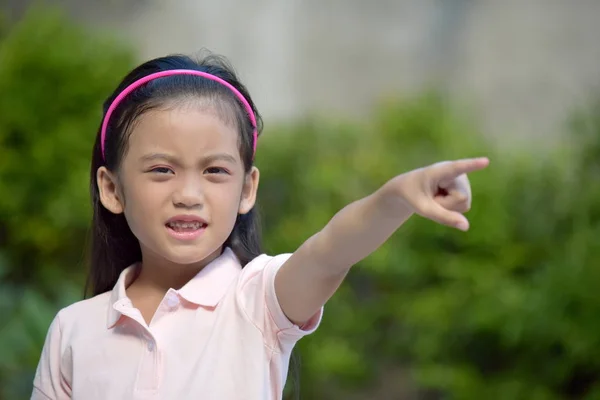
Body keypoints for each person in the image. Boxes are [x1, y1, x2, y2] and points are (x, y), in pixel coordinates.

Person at [31, 52, 489, 400]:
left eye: (215, 171)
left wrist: (395, 198)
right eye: (162, 170)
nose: (189, 193)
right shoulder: (74, 330)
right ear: (112, 189)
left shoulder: (260, 302)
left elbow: (331, 251)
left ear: (247, 189)